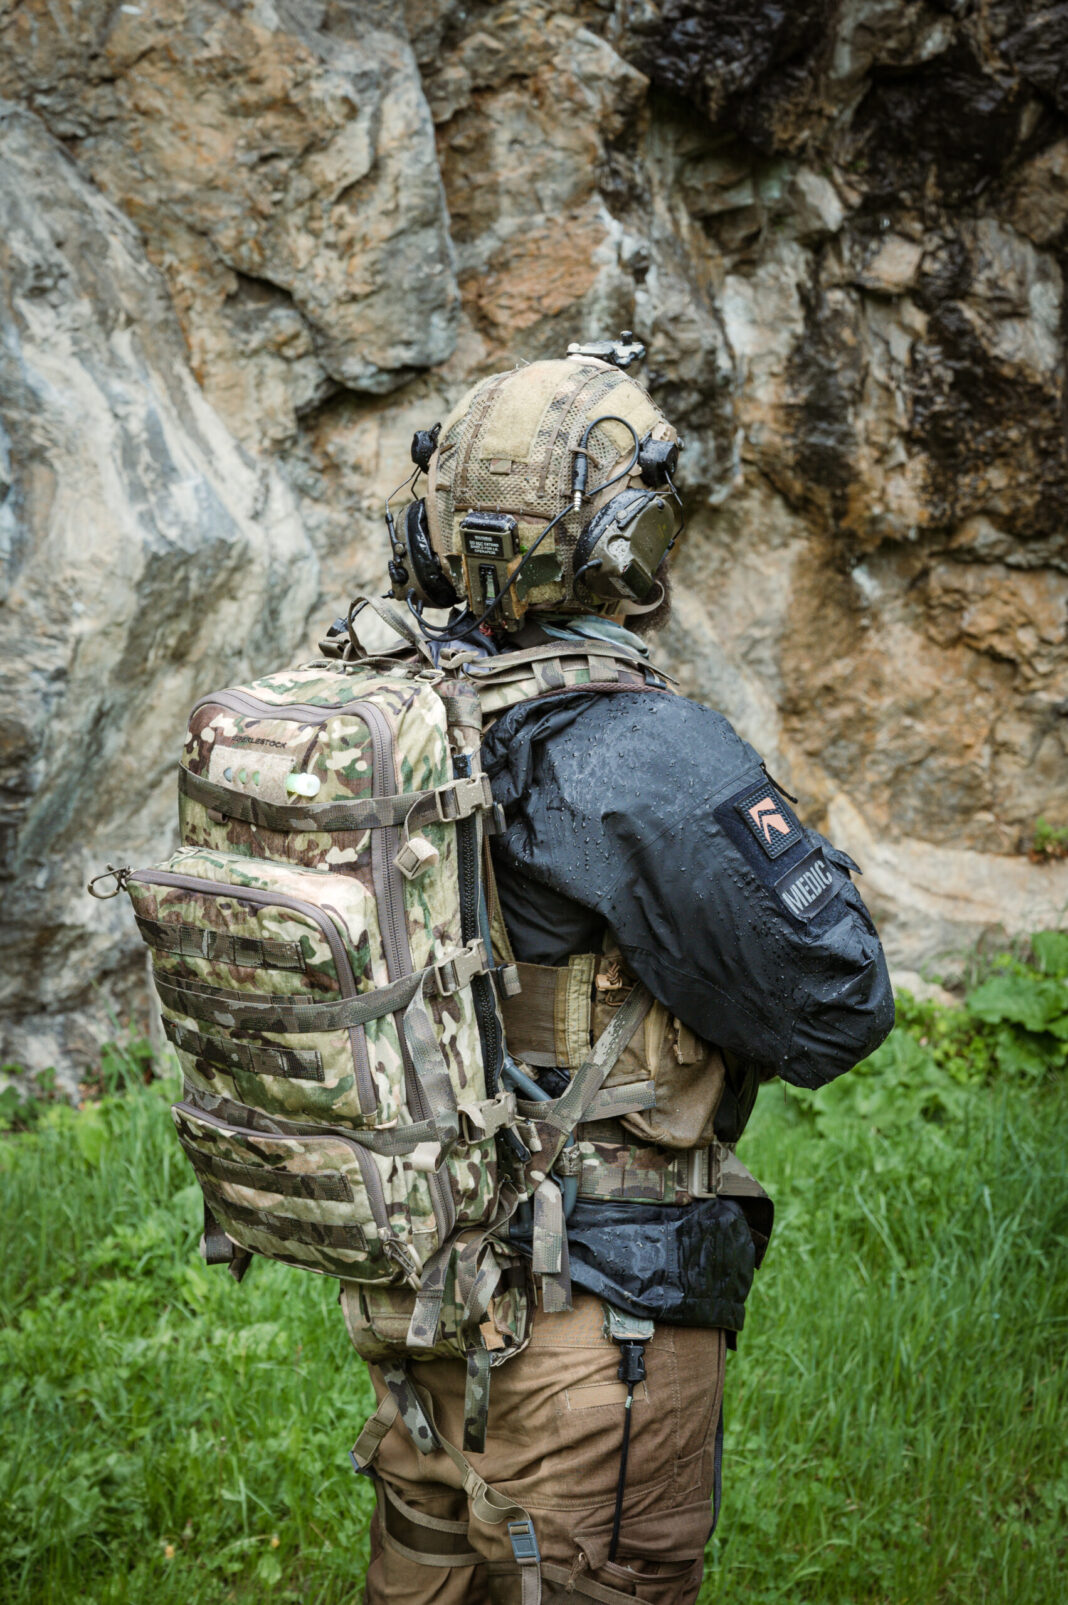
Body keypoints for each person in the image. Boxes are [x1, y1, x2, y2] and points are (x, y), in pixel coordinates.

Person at [346, 338, 894, 1603]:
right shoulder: (639, 751)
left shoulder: (389, 708)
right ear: (631, 543)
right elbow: (838, 1002)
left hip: (424, 1285)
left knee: (428, 1571)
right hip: (598, 1322)